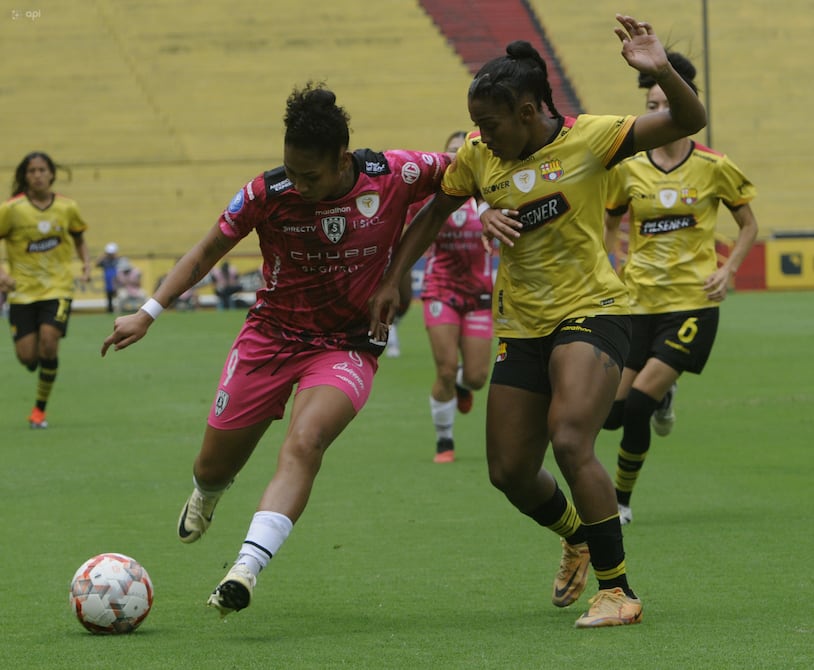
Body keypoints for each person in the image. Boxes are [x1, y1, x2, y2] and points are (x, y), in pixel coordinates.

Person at [368, 15, 706, 628]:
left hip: (593, 311)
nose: (479, 135)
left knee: (572, 438)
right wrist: (393, 278)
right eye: (475, 124)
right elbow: (435, 210)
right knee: (509, 471)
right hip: (521, 324)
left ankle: (617, 591)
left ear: (527, 111)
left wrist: (659, 70)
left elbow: (688, 121)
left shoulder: (593, 138)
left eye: (489, 123)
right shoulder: (476, 157)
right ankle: (576, 536)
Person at [101, 82, 452, 617]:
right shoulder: (268, 193)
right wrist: (148, 312)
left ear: (342, 158)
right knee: (213, 465)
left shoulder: (397, 173)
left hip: (347, 344)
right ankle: (207, 493)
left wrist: (485, 208)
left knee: (305, 441)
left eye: (311, 175)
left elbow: (469, 167)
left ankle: (245, 567)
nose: (300, 184)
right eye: (291, 169)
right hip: (271, 337)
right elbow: (207, 250)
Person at [602, 51, 758, 525]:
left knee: (638, 409)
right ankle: (665, 394)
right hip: (637, 301)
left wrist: (727, 271)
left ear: (684, 107)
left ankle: (621, 500)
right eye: (651, 106)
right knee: (611, 414)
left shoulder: (715, 166)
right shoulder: (629, 168)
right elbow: (610, 222)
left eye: (666, 104)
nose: (659, 113)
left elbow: (748, 224)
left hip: (691, 303)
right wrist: (614, 262)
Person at [0, 151, 91, 428]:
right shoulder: (11, 209)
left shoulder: (67, 207)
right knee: (28, 357)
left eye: (42, 170)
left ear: (52, 173)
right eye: (32, 171)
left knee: (49, 343)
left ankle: (39, 411)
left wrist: (86, 265)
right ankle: (35, 362)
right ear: (24, 176)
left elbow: (79, 238)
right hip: (22, 292)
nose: (37, 175)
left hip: (58, 288)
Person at [419, 130, 494, 463]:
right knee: (446, 369)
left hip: (479, 293)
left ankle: (464, 386)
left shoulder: (492, 191)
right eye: (450, 152)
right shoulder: (435, 197)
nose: (456, 157)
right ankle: (443, 441)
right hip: (441, 289)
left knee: (477, 378)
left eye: (461, 151)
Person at [96, 242, 120, 313]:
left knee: (118, 296)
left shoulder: (118, 260)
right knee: (109, 298)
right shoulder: (105, 261)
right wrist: (102, 256)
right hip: (108, 282)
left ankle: (118, 309)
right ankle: (110, 310)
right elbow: (96, 264)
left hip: (117, 281)